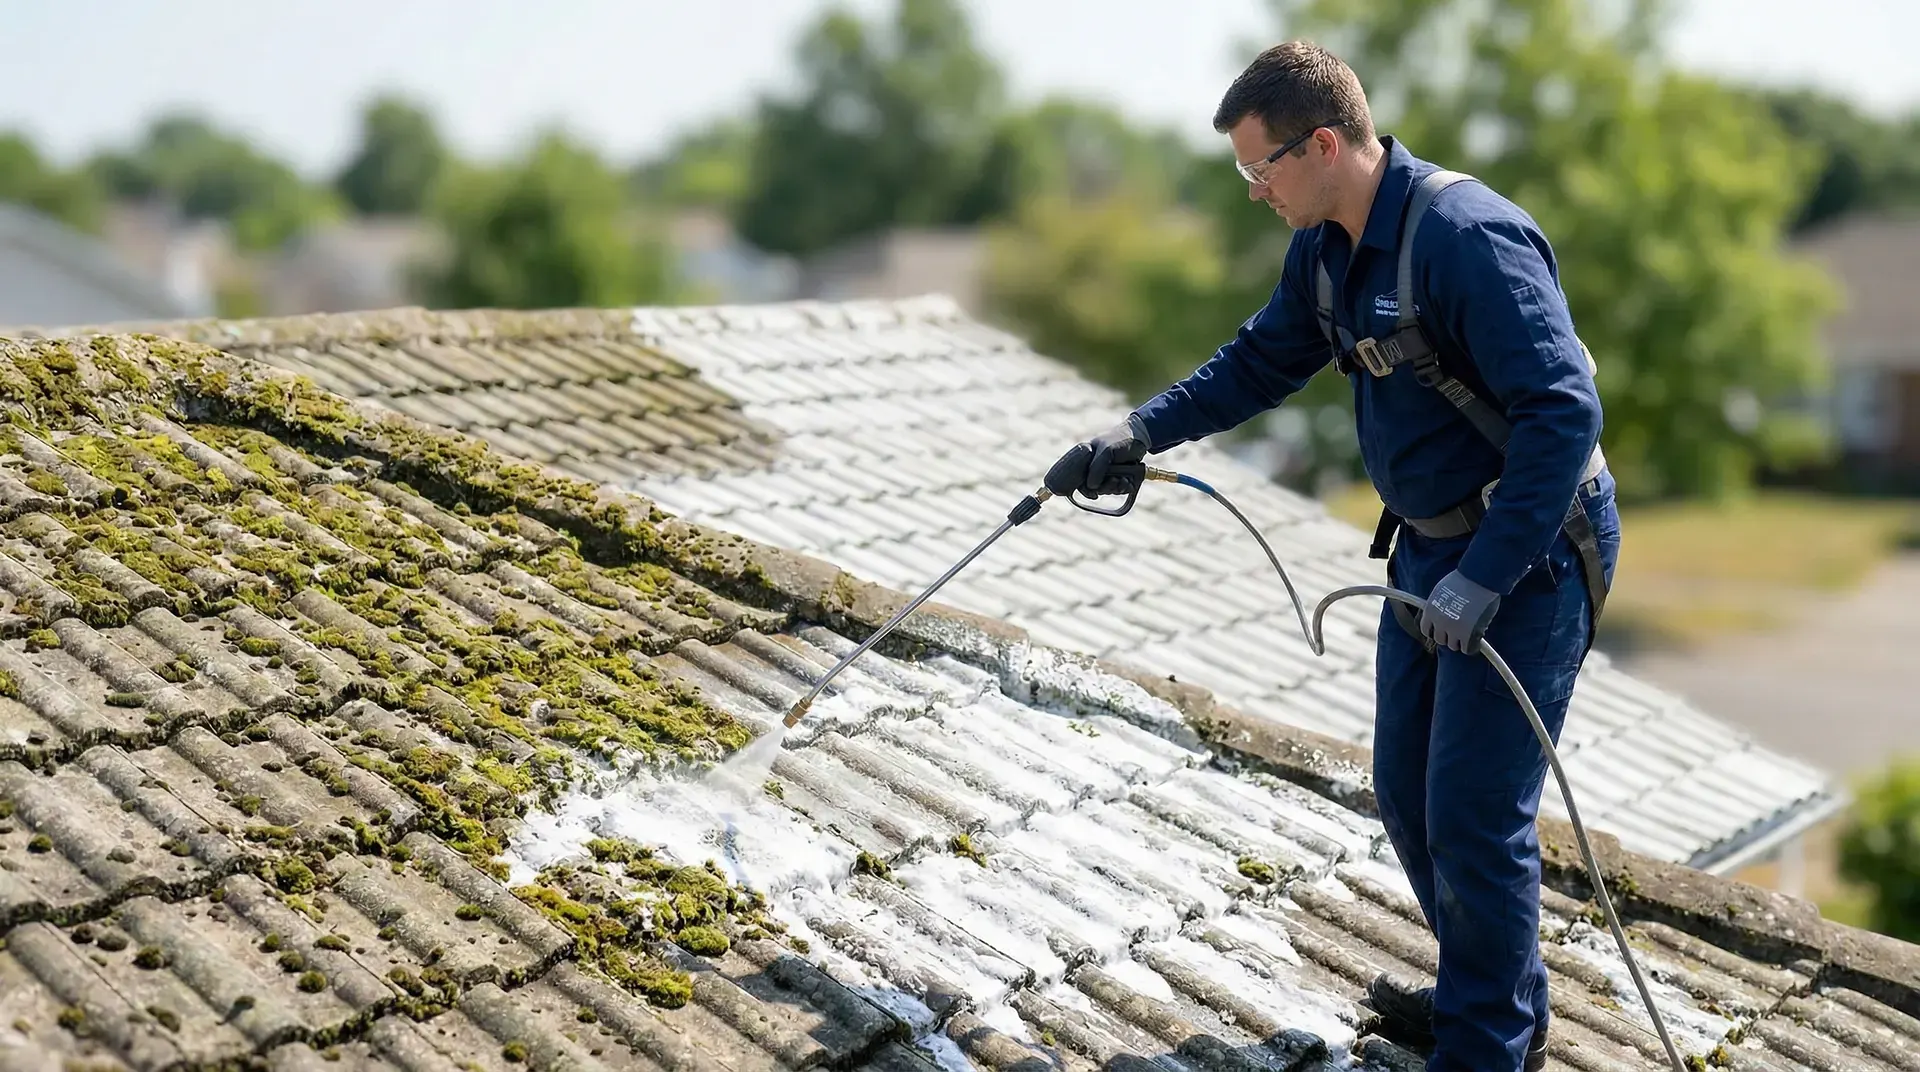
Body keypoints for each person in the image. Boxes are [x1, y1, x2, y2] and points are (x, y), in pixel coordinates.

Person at [1049, 40, 1621, 1072]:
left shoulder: (1464, 237)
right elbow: (1259, 361)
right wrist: (1140, 432)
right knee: (1407, 788)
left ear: (1323, 143)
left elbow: (1563, 412)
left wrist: (1486, 574)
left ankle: (1485, 1048)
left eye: (1260, 167)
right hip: (1427, 554)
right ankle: (1496, 999)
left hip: (1529, 552)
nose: (1253, 190)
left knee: (1475, 812)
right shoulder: (1323, 250)